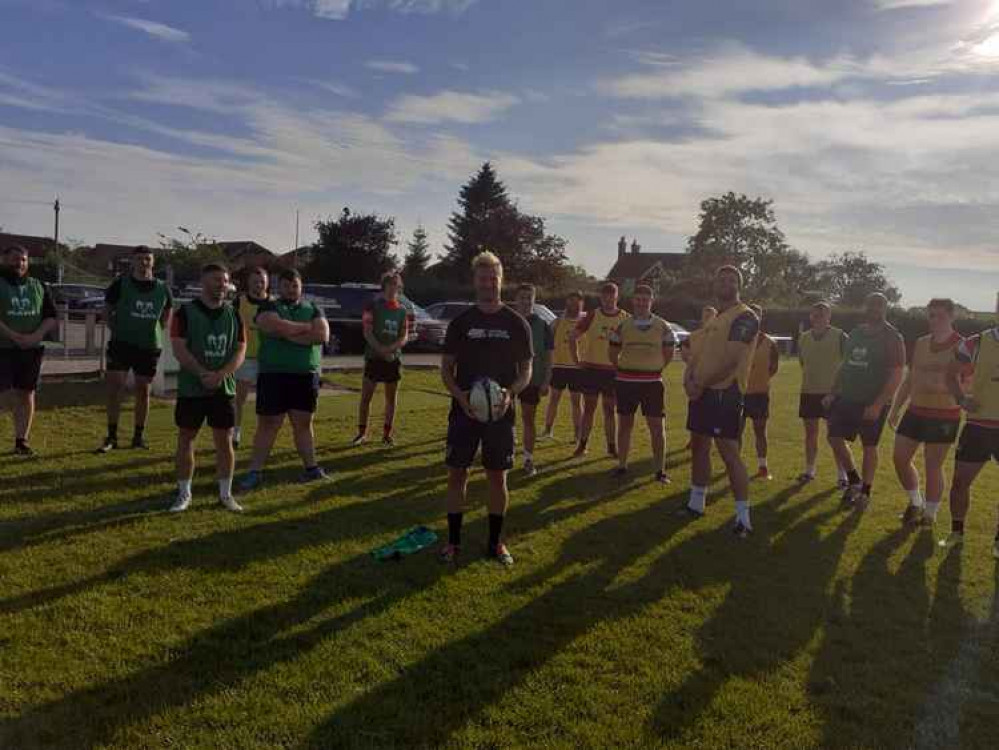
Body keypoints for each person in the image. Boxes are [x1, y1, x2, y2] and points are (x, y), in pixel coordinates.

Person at [439, 251, 532, 566]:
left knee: (497, 478)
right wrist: (461, 398)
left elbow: (526, 371)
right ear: (475, 281)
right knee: (457, 475)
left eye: (494, 277)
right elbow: (446, 369)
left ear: (501, 280)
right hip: (464, 412)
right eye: (483, 278)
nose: (489, 283)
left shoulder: (516, 323)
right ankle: (453, 542)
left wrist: (512, 393)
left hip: (500, 414)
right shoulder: (462, 323)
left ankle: (495, 543)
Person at [681, 266, 760, 538]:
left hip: (725, 394)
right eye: (721, 279)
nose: (726, 283)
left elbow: (731, 361)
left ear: (739, 285)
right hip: (702, 393)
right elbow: (695, 355)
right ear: (715, 284)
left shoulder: (746, 317)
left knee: (729, 454)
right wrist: (688, 380)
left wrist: (699, 384)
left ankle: (743, 519)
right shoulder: (716, 319)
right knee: (699, 447)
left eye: (732, 280)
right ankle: (696, 504)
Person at [240, 268, 330, 490]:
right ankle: (255, 472)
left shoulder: (313, 308)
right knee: (268, 425)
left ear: (301, 287)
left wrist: (286, 334)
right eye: (287, 285)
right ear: (279, 287)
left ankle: (311, 469)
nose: (291, 289)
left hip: (304, 376)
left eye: (295, 285)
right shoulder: (268, 306)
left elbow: (322, 336)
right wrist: (304, 330)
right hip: (274, 375)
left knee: (303, 424)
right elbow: (270, 325)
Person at [168, 263, 246, 512]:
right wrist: (202, 373)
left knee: (224, 441)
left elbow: (240, 349)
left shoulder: (234, 314)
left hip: (223, 389)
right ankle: (184, 493)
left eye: (224, 280)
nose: (221, 285)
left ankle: (225, 494)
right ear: (203, 281)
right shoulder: (185, 312)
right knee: (186, 438)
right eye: (215, 280)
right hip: (193, 388)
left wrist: (221, 374)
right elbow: (179, 347)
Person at [824, 293, 905, 512]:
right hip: (847, 398)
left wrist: (879, 404)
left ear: (885, 309)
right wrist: (833, 391)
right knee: (834, 438)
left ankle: (865, 492)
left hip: (872, 402)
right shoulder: (857, 333)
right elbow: (845, 364)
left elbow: (897, 374)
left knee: (869, 446)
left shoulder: (892, 337)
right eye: (870, 305)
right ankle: (854, 480)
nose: (874, 309)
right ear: (865, 307)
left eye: (878, 305)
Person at [888, 298, 963, 527]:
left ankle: (930, 515)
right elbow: (910, 378)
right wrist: (895, 408)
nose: (934, 320)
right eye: (931, 315)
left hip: (945, 414)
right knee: (899, 458)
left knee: (933, 465)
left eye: (939, 315)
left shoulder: (963, 345)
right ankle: (915, 502)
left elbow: (969, 382)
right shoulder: (921, 343)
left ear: (951, 316)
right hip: (916, 410)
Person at [96, 245, 173, 453]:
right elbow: (107, 311)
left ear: (153, 262)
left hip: (148, 346)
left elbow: (167, 312)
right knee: (115, 389)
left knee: (143, 391)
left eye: (147, 259)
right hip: (121, 344)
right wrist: (118, 329)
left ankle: (138, 437)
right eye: (139, 259)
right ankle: (111, 436)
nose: (144, 262)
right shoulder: (120, 284)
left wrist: (155, 329)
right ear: (133, 261)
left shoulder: (162, 287)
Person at [940, 307, 999, 552]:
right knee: (960, 482)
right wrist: (962, 399)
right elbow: (950, 374)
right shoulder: (976, 342)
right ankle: (957, 532)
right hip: (978, 426)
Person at [608, 284, 675, 482]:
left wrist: (655, 367)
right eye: (638, 299)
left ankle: (659, 470)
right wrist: (622, 367)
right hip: (626, 382)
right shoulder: (623, 325)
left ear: (651, 302)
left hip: (652, 383)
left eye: (645, 300)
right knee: (625, 424)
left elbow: (669, 353)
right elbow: (612, 352)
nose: (641, 303)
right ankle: (622, 465)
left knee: (656, 426)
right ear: (633, 301)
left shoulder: (663, 326)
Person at [0, 244, 58, 456]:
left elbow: (51, 316)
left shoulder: (39, 285)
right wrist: (14, 336)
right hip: (3, 348)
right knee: (5, 395)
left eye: (23, 259)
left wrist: (35, 336)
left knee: (26, 393)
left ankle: (21, 440)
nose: (20, 263)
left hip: (31, 350)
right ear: (4, 260)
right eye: (15, 259)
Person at [571, 282, 629, 457]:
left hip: (613, 371)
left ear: (617, 297)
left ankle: (612, 447)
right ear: (601, 297)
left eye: (612, 295)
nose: (608, 299)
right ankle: (582, 445)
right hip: (592, 370)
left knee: (610, 410)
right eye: (605, 296)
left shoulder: (625, 318)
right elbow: (573, 336)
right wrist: (577, 360)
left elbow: (632, 344)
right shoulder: (592, 315)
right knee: (589, 409)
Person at [352, 271, 410, 447]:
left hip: (393, 360)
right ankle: (362, 433)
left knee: (391, 398)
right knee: (366, 397)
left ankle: (387, 434)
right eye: (390, 284)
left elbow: (404, 335)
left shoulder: (402, 310)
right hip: (373, 358)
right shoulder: (372, 306)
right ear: (384, 286)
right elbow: (367, 332)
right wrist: (380, 350)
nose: (393, 288)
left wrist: (391, 350)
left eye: (396, 285)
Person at [796, 302, 849, 484]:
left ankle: (842, 475)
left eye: (822, 314)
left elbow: (849, 365)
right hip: (809, 391)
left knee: (836, 436)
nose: (818, 318)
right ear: (810, 317)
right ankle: (809, 471)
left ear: (829, 317)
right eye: (814, 314)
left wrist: (836, 391)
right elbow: (803, 362)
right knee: (810, 434)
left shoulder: (840, 336)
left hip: (832, 394)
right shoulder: (803, 337)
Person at [513, 283, 553, 476]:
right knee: (502, 417)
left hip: (532, 379)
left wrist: (546, 381)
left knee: (528, 418)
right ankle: (503, 451)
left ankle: (528, 459)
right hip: (507, 379)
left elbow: (548, 357)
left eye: (529, 297)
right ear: (516, 299)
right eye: (522, 297)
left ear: (534, 300)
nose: (526, 301)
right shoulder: (507, 320)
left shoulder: (542, 325)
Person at [233, 266, 271, 449]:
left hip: (268, 360)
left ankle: (262, 435)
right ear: (248, 283)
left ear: (268, 283)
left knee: (266, 402)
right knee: (239, 399)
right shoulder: (239, 302)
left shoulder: (274, 303)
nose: (259, 285)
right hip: (245, 357)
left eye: (262, 281)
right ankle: (236, 433)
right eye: (255, 282)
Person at [743, 304, 780, 480]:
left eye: (757, 316)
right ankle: (734, 466)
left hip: (760, 394)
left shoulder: (770, 343)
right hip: (739, 393)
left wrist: (759, 380)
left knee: (760, 431)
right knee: (736, 431)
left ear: (761, 318)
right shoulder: (738, 341)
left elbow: (773, 368)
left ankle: (763, 466)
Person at [543, 290, 585, 442]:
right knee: (554, 398)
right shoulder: (558, 321)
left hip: (577, 368)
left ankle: (577, 434)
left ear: (582, 303)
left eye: (577, 301)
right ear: (567, 302)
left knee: (576, 401)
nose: (574, 304)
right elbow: (547, 338)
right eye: (571, 301)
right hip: (558, 365)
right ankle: (548, 430)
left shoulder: (585, 321)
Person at [679, 306, 717, 450]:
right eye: (705, 316)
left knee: (712, 410)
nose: (708, 319)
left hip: (714, 379)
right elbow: (684, 351)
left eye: (711, 316)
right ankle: (693, 438)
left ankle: (710, 438)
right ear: (702, 318)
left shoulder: (719, 337)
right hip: (695, 379)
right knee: (694, 409)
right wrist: (691, 365)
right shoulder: (694, 336)